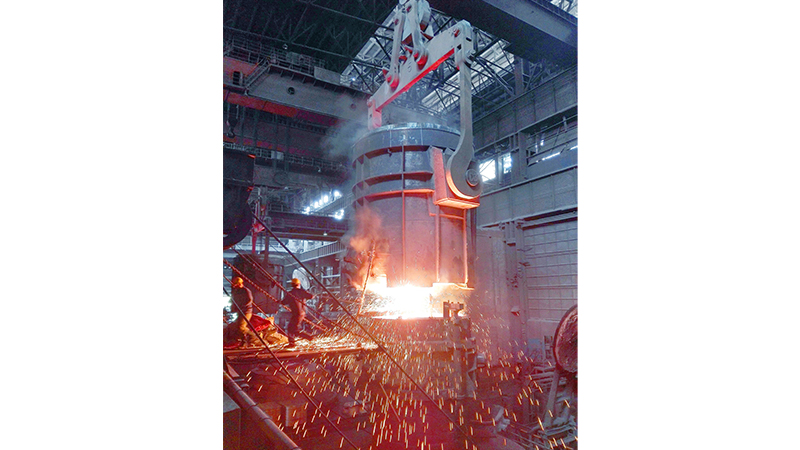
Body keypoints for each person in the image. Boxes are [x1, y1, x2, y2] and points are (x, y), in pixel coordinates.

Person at [231, 276, 260, 347]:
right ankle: (243, 341)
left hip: (246, 311)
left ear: (240, 283)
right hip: (240, 311)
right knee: (238, 327)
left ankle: (253, 336)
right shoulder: (237, 291)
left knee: (241, 327)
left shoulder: (246, 290)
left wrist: (242, 307)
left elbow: (249, 300)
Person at [283, 278, 313, 346]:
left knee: (292, 329)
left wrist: (278, 301)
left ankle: (309, 338)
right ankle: (293, 342)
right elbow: (311, 296)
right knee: (294, 328)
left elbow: (284, 302)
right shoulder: (301, 292)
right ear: (299, 284)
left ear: (292, 285)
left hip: (296, 314)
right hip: (302, 313)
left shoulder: (290, 293)